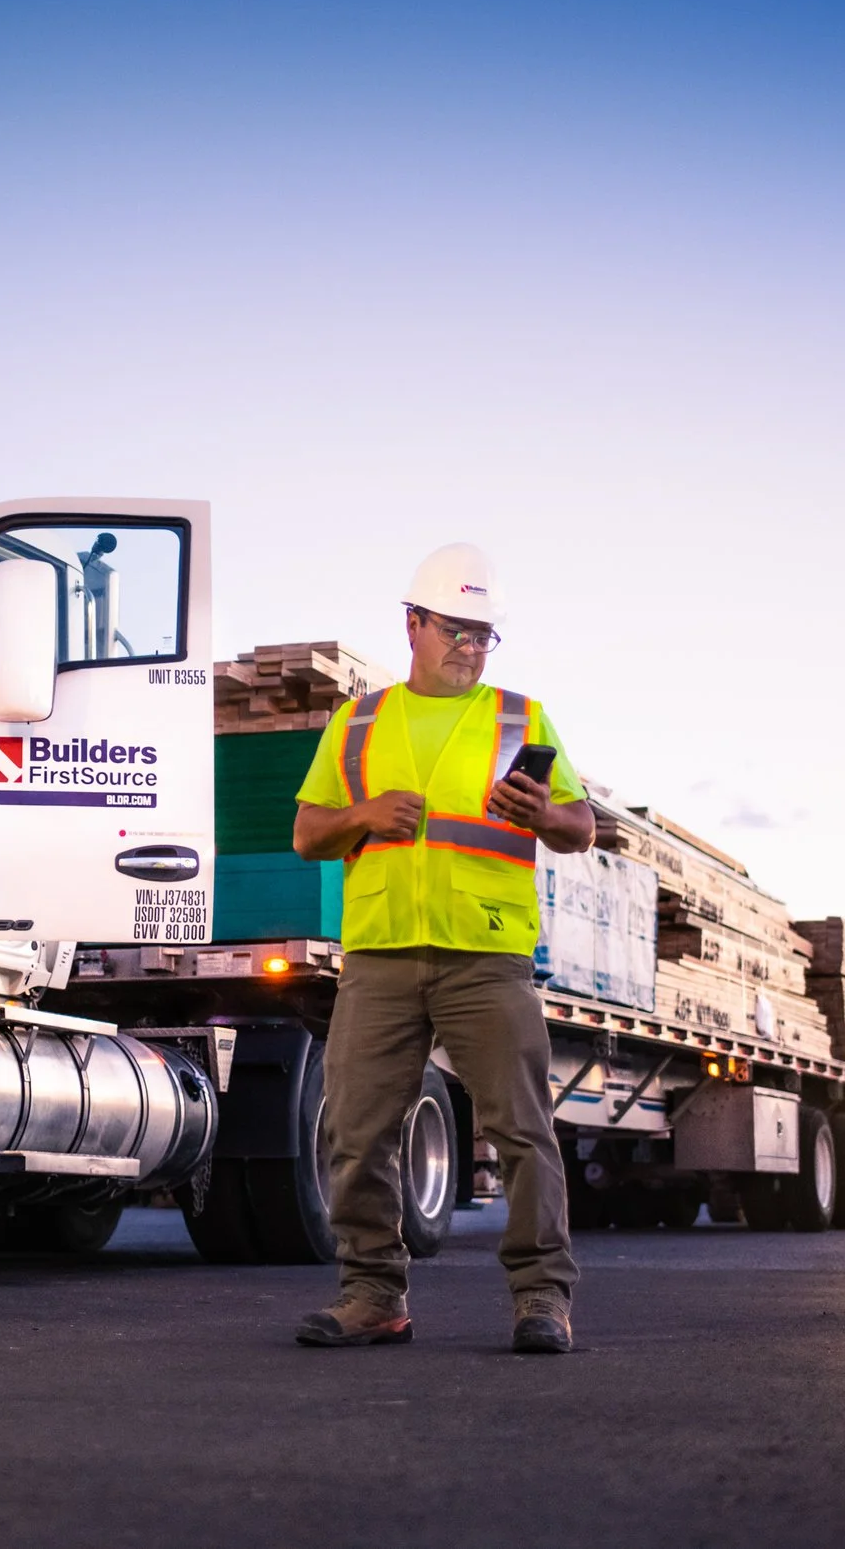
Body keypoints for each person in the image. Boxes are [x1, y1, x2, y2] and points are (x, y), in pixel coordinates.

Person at [289, 543, 594, 1353]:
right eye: (454, 629)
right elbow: (308, 831)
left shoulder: (521, 718)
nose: (468, 647)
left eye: (483, 635)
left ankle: (541, 1301)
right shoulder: (358, 722)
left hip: (485, 954)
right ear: (412, 623)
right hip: (382, 954)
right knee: (355, 1132)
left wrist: (541, 813)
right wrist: (364, 814)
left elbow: (579, 827)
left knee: (523, 1132)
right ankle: (372, 1297)